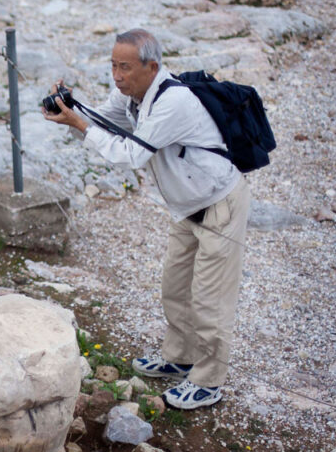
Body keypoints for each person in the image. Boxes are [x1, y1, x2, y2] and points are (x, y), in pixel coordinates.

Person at [42, 28, 250, 410]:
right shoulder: (133, 95)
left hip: (219, 203)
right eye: (113, 66)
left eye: (125, 68)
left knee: (209, 299)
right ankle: (179, 357)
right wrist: (71, 108)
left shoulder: (174, 102)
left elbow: (130, 154)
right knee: (174, 286)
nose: (117, 76)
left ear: (152, 66)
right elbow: (102, 123)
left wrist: (78, 124)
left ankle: (208, 381)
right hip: (187, 207)